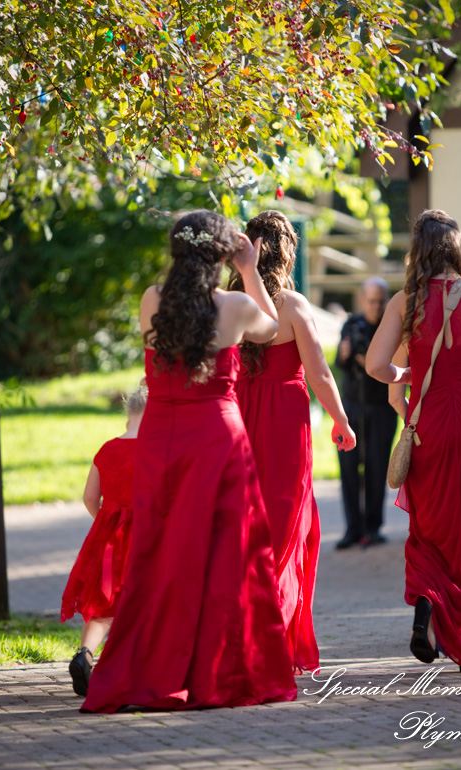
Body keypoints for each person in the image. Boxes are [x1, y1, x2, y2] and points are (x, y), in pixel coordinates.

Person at [81, 210, 297, 713]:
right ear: (221, 253)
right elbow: (270, 331)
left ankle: (153, 669)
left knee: (160, 551)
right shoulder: (237, 306)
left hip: (161, 436)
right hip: (218, 439)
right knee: (228, 556)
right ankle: (218, 672)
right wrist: (248, 268)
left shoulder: (152, 301)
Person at [365, 209, 461, 673]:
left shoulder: (404, 302)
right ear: (459, 249)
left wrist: (408, 373)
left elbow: (376, 367)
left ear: (419, 252)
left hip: (429, 423)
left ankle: (429, 606)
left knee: (431, 530)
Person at [230, 210, 356, 673]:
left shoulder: (229, 302)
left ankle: (242, 627)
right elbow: (320, 373)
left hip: (237, 414)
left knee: (242, 521)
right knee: (284, 521)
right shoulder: (293, 306)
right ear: (286, 252)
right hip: (284, 419)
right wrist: (341, 420)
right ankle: (271, 633)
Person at [60, 380, 147, 696]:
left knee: (103, 606)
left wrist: (107, 522)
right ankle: (135, 665)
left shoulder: (107, 449)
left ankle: (84, 655)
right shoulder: (157, 450)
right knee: (145, 600)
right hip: (146, 538)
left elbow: (88, 497)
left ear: (129, 417)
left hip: (110, 538)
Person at [335, 276, 397, 549]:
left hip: (382, 406)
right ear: (362, 300)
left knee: (376, 465)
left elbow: (393, 366)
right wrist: (345, 355)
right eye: (371, 301)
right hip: (352, 405)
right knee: (348, 467)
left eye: (381, 301)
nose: (376, 306)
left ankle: (372, 527)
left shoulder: (392, 328)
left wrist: (370, 361)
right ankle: (352, 527)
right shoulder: (351, 325)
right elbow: (340, 365)